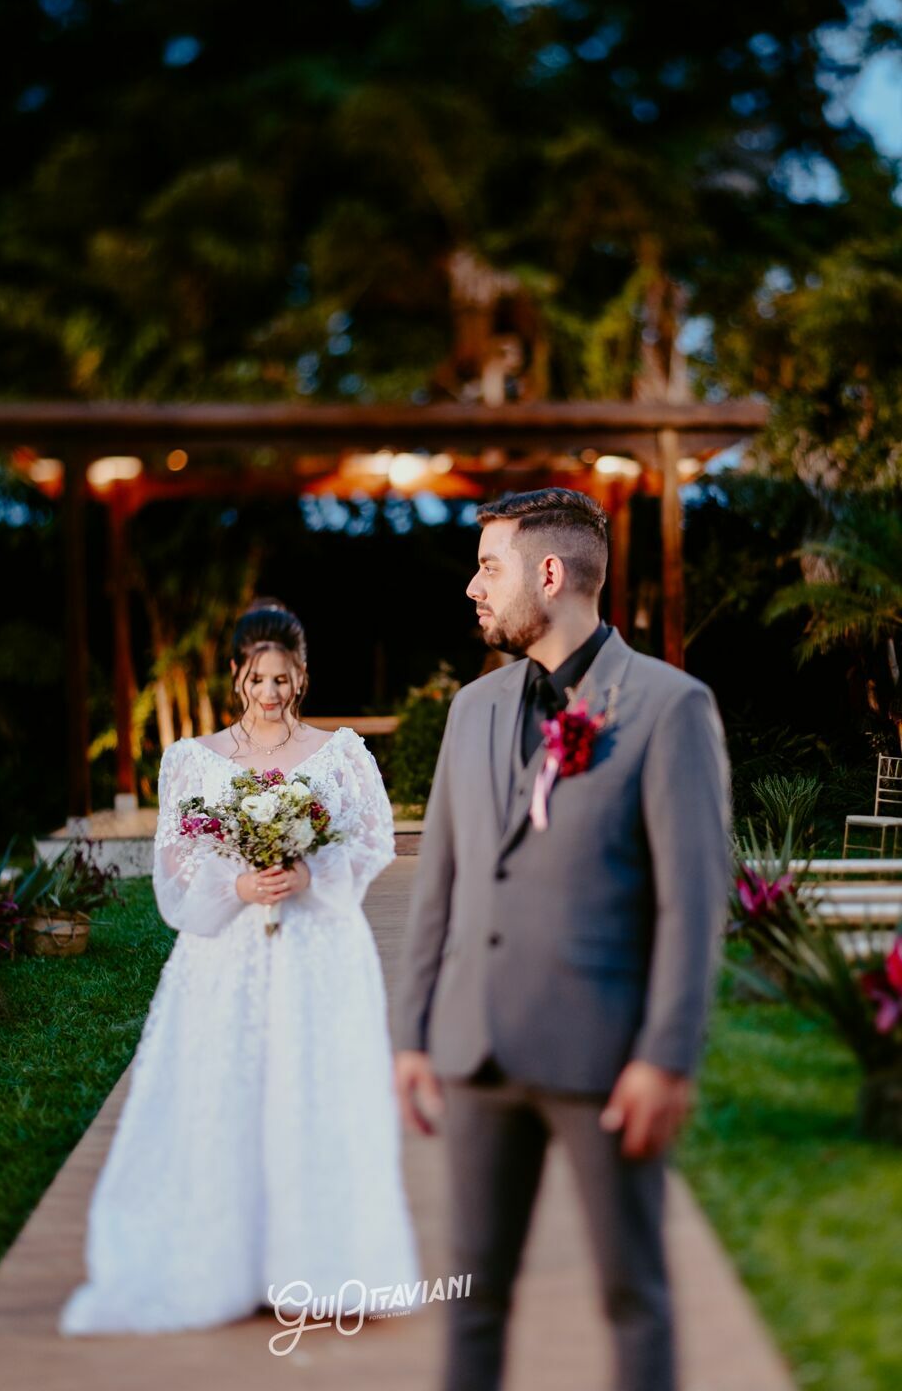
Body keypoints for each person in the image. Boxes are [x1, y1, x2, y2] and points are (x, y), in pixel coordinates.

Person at [393, 488, 731, 1391]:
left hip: (606, 1061)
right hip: (476, 1050)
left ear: (550, 574)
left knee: (632, 1297)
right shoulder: (471, 712)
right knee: (471, 1302)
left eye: (487, 567)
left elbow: (693, 904)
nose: (471, 586)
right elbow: (442, 885)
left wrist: (665, 1056)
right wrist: (414, 1033)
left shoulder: (669, 707)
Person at [59, 601, 420, 1334]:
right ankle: (226, 1257)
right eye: (258, 679)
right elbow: (176, 860)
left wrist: (310, 872)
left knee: (311, 1091)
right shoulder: (193, 760)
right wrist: (238, 884)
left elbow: (371, 840)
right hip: (228, 952)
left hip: (318, 949)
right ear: (235, 676)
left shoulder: (340, 754)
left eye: (284, 679)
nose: (270, 694)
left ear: (302, 677)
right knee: (229, 1085)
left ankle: (316, 1265)